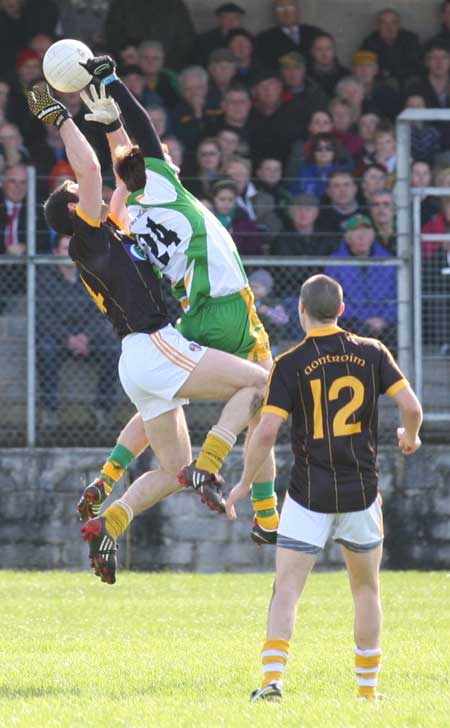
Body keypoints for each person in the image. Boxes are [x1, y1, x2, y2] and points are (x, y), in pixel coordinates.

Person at [27, 81, 270, 583]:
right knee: (260, 383)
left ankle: (107, 521)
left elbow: (122, 180)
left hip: (137, 360)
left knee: (169, 471)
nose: (91, 194)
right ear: (77, 212)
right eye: (81, 197)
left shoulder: (106, 233)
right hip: (156, 344)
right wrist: (60, 117)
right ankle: (212, 463)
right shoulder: (90, 237)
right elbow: (93, 170)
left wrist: (119, 137)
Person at [226, 273, 423, 702]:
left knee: (287, 589)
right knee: (366, 590)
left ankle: (272, 681)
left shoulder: (290, 362)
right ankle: (367, 693)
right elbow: (411, 406)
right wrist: (411, 437)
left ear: (301, 311)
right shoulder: (372, 352)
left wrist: (244, 483)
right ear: (342, 310)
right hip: (361, 494)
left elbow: (265, 434)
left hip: (308, 496)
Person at [36, 234, 119, 429]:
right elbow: (44, 318)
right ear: (55, 252)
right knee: (45, 349)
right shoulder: (44, 279)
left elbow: (102, 313)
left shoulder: (90, 278)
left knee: (114, 350)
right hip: (58, 338)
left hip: (88, 337)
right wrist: (68, 339)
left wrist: (86, 337)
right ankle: (50, 412)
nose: (69, 254)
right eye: (65, 249)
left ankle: (102, 410)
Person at [324, 214, 397, 347]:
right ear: (347, 237)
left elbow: (396, 297)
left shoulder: (389, 261)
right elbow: (335, 301)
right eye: (356, 232)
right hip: (353, 322)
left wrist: (383, 320)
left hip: (384, 323)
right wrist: (365, 320)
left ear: (373, 235)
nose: (361, 237)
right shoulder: (334, 264)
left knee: (396, 331)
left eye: (365, 232)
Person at [359, 7, 421, 88]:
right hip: (382, 81)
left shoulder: (410, 39)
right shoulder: (369, 42)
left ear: (399, 25)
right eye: (384, 23)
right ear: (377, 26)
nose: (389, 27)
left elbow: (416, 65)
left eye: (394, 23)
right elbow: (365, 68)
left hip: (407, 80)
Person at [256, 0, 324, 70]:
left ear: (298, 10)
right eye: (281, 9)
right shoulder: (263, 39)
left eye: (290, 7)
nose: (286, 12)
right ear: (275, 13)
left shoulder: (315, 33)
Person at [193, 2, 246, 67]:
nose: (232, 21)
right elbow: (198, 65)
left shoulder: (248, 40)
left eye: (236, 18)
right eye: (227, 18)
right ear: (219, 20)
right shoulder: (203, 40)